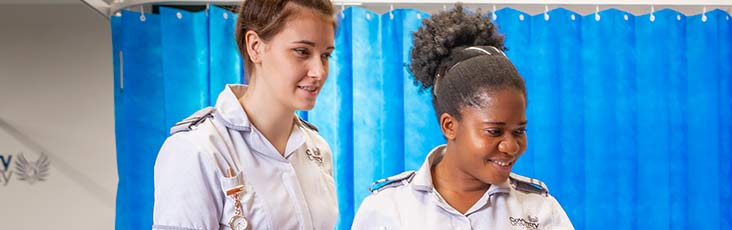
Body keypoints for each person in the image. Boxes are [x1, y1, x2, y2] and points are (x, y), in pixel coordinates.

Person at [351, 5, 573, 230]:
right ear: (449, 126)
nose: (510, 146)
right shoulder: (388, 209)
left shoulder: (540, 211)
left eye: (519, 131)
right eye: (494, 131)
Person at [152, 0, 338, 229]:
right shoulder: (198, 150)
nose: (318, 72)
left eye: (326, 55)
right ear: (255, 47)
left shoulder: (318, 150)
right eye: (302, 52)